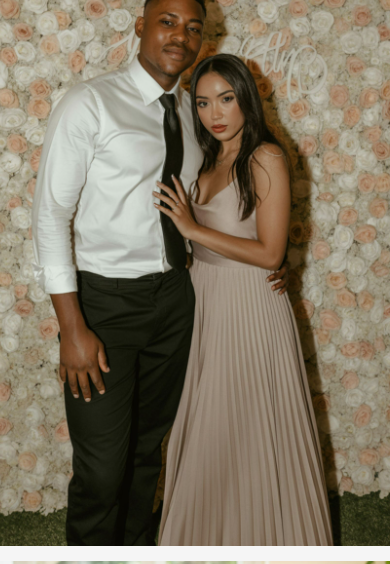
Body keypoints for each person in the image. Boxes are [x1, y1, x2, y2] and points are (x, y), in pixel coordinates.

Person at [31, 0, 207, 545]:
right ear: (140, 26)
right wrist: (72, 327)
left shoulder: (193, 111)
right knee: (103, 467)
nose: (181, 36)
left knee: (147, 449)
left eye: (194, 28)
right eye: (168, 21)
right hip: (105, 303)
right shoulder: (90, 102)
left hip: (175, 298)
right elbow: (50, 215)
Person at [153, 54, 331, 544]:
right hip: (206, 301)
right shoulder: (208, 157)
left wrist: (191, 228)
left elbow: (271, 253)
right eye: (203, 102)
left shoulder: (265, 157)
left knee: (250, 423)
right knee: (211, 423)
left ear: (246, 99)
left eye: (226, 99)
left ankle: (269, 533)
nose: (215, 113)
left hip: (250, 306)